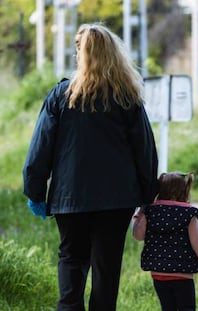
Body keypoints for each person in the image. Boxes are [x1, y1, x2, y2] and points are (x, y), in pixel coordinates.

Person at [22, 22, 159, 311]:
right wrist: (148, 196)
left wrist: (35, 191)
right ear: (114, 55)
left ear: (81, 54)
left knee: (71, 259)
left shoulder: (61, 95)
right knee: (106, 268)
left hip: (69, 198)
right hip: (117, 199)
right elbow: (144, 150)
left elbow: (41, 146)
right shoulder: (127, 98)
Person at [132, 172, 198, 311]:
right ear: (185, 191)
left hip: (158, 273)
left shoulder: (151, 211)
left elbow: (138, 236)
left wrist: (139, 216)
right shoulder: (189, 214)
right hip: (182, 275)